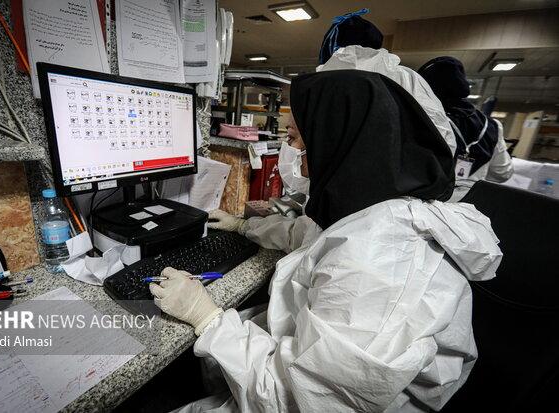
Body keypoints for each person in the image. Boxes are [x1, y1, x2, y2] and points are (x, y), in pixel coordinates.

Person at [150, 70, 503, 412]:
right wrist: (243, 226)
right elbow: (308, 234)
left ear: (336, 141)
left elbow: (294, 402)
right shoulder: (374, 204)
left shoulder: (377, 262)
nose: (290, 147)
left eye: (297, 136)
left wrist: (205, 316)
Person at [317, 10, 458, 157]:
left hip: (333, 174)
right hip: (395, 173)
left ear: (330, 46)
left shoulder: (321, 84)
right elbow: (442, 137)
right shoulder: (406, 78)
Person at [418, 56, 514, 201]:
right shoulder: (493, 126)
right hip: (470, 207)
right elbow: (502, 173)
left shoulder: (422, 117)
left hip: (421, 206)